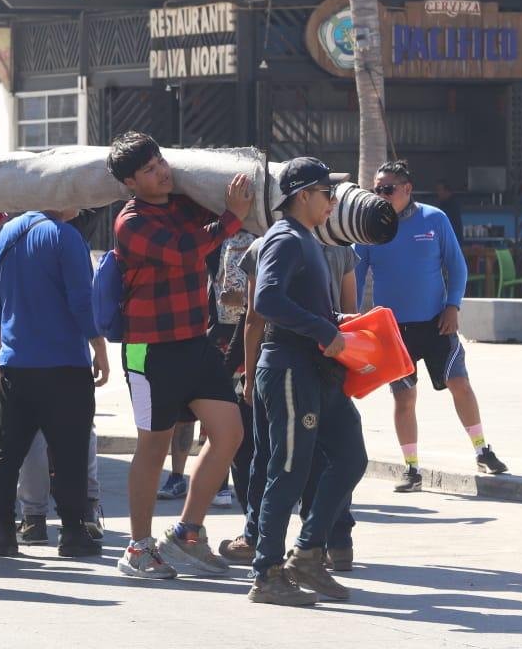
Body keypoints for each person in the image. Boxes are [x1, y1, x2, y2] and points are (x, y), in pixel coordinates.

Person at [107, 131, 249, 580]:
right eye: (149, 170)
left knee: (229, 433)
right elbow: (186, 250)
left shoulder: (183, 203)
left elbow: (207, 218)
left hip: (194, 341)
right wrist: (232, 219)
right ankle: (138, 547)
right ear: (130, 182)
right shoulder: (130, 221)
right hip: (149, 350)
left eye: (161, 162)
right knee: (154, 446)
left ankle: (188, 534)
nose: (162, 172)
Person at [248, 157, 367, 607]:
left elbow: (302, 304)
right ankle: (266, 573)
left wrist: (344, 325)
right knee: (289, 469)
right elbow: (266, 299)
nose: (333, 202)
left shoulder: (307, 239)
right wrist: (324, 331)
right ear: (303, 195)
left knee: (352, 456)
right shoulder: (284, 237)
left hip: (317, 369)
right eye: (326, 194)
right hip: (290, 369)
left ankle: (309, 553)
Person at [356, 159, 508, 490]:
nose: (380, 195)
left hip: (436, 323)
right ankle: (412, 470)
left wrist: (453, 306)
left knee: (460, 384)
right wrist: (351, 318)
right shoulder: (368, 227)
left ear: (407, 190)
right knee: (404, 398)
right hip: (393, 331)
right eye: (375, 189)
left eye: (387, 189)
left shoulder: (434, 219)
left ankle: (482, 450)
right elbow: (353, 274)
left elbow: (457, 266)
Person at [223, 233, 359, 570]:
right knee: (324, 459)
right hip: (328, 364)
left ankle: (270, 547)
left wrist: (251, 375)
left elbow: (256, 314)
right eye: (326, 194)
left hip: (291, 364)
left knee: (276, 461)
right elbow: (351, 314)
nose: (331, 201)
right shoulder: (336, 247)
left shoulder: (266, 244)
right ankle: (332, 543)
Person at [0, 207, 108, 560]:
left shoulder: (0, 237)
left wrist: (5, 346)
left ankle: (2, 532)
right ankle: (72, 533)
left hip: (16, 364)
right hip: (64, 363)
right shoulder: (65, 237)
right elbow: (83, 301)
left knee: (7, 453)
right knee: (69, 452)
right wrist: (99, 348)